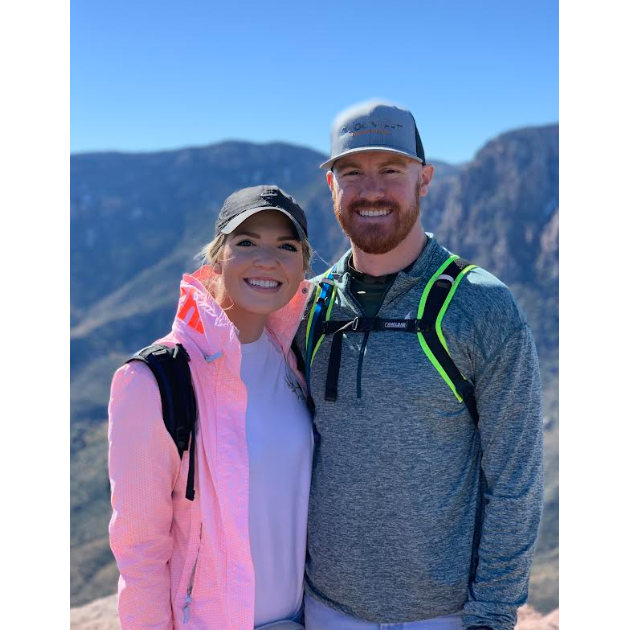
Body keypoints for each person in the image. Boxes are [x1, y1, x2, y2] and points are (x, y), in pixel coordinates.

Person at [296, 101, 544, 630]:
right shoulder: (307, 307)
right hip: (321, 610)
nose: (371, 190)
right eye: (351, 172)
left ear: (424, 179)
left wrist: (492, 615)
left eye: (391, 170)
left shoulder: (481, 306)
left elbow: (515, 477)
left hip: (444, 617)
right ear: (331, 187)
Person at [108, 185, 315, 630]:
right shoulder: (155, 381)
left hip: (301, 620)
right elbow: (140, 549)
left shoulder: (294, 363)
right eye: (246, 243)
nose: (268, 259)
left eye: (286, 246)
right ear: (216, 258)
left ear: (303, 266)